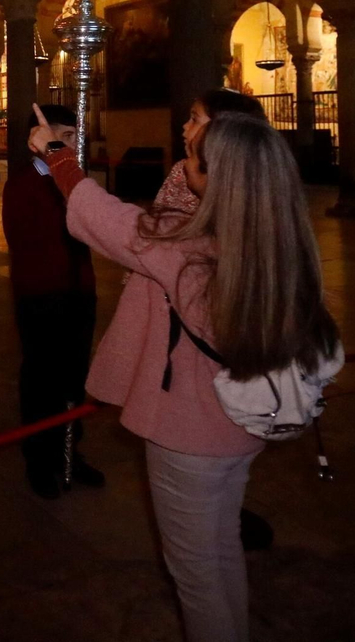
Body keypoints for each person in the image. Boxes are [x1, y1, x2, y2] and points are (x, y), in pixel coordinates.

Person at [31, 105, 339, 642]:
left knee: (196, 575)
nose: (185, 160)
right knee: (220, 550)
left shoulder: (186, 251)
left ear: (215, 180)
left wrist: (56, 153)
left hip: (190, 432)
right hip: (246, 427)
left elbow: (103, 216)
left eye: (195, 160)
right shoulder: (283, 245)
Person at [152, 90, 277, 553]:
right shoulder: (182, 175)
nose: (185, 129)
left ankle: (225, 510)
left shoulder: (233, 184)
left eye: (195, 119)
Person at [1, 103, 105, 499]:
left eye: (74, 136)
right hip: (42, 295)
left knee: (74, 378)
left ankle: (68, 452)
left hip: (80, 291)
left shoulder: (76, 182)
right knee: (42, 380)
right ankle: (40, 459)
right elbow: (27, 242)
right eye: (62, 136)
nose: (71, 144)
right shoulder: (24, 184)